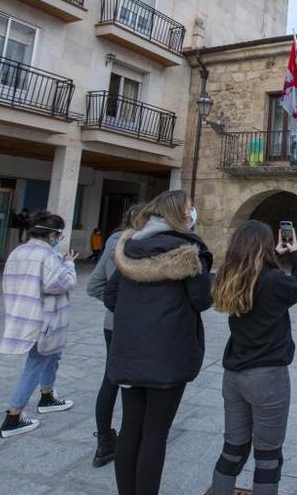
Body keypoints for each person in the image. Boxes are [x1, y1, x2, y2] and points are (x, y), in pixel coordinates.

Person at [105, 190, 213, 494]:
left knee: (130, 428)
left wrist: (137, 317)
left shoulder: (130, 247)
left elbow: (110, 296)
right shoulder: (187, 250)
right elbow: (201, 300)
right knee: (155, 434)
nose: (193, 212)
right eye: (191, 208)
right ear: (180, 214)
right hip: (168, 353)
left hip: (129, 351)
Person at [208, 221, 297, 495]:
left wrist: (275, 257)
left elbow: (258, 277)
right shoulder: (274, 281)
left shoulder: (228, 277)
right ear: (265, 246)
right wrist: (295, 253)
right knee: (268, 456)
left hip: (234, 376)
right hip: (267, 378)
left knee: (233, 448)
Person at [0, 211, 78, 439]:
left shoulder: (19, 251)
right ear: (52, 234)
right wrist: (69, 265)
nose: (59, 239)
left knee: (53, 354)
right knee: (36, 362)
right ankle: (13, 416)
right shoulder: (47, 255)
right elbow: (62, 283)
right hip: (44, 317)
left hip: (22, 312)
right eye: (59, 234)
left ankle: (48, 395)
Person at [86, 203, 143, 468]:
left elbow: (94, 285)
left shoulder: (112, 242)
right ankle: (136, 440)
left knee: (110, 379)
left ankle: (104, 442)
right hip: (139, 326)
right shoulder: (143, 246)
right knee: (140, 382)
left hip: (112, 324)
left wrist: (115, 305)